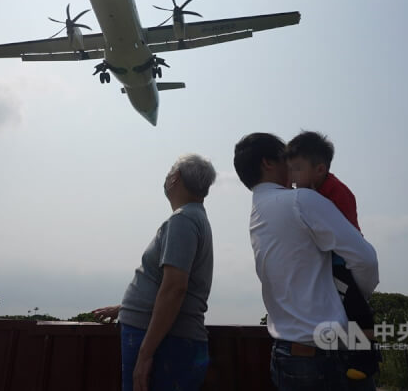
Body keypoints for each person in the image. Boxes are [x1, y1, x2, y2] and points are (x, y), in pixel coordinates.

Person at [233, 133, 379, 390]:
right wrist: (355, 297)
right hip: (325, 357)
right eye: (286, 158)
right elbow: (365, 260)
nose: (292, 166)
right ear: (268, 163)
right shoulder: (301, 201)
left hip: (285, 354)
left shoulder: (258, 213)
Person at [92, 154, 216, 391]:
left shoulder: (183, 220)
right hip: (169, 338)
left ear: (174, 179)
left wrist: (145, 354)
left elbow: (175, 288)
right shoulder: (195, 218)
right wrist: (125, 309)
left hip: (164, 342)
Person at [286, 131, 379, 379]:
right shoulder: (313, 191)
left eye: (296, 169)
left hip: (340, 260)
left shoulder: (336, 193)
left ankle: (367, 358)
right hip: (329, 257)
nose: (291, 176)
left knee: (355, 306)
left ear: (319, 169)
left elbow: (343, 236)